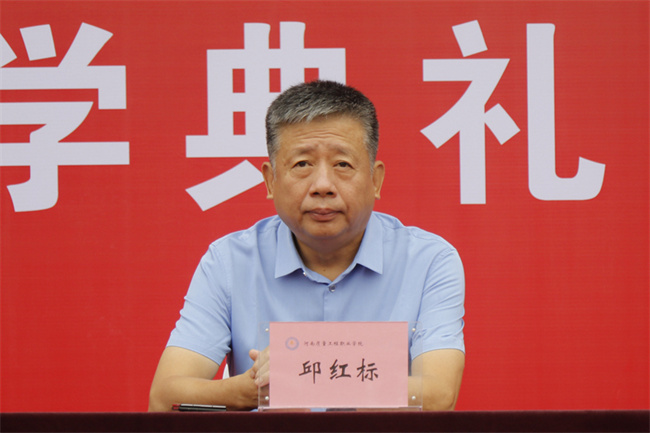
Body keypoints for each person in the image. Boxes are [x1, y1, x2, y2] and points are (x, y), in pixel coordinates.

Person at [148, 80, 465, 412]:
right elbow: (165, 398)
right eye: (302, 164)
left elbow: (437, 395)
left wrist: (301, 372)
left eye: (342, 164)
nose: (323, 185)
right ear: (270, 180)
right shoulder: (228, 262)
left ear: (375, 179)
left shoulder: (429, 261)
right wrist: (249, 391)